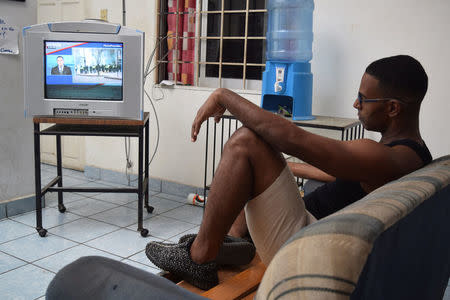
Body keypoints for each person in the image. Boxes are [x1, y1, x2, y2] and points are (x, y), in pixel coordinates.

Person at [145, 55, 432, 290]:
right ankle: (233, 242)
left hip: (306, 242)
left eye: (363, 99)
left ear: (393, 108)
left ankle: (199, 257)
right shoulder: (408, 154)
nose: (356, 104)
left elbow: (293, 138)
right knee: (253, 160)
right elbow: (340, 176)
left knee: (246, 141)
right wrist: (283, 167)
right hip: (311, 227)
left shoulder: (386, 157)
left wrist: (224, 96)